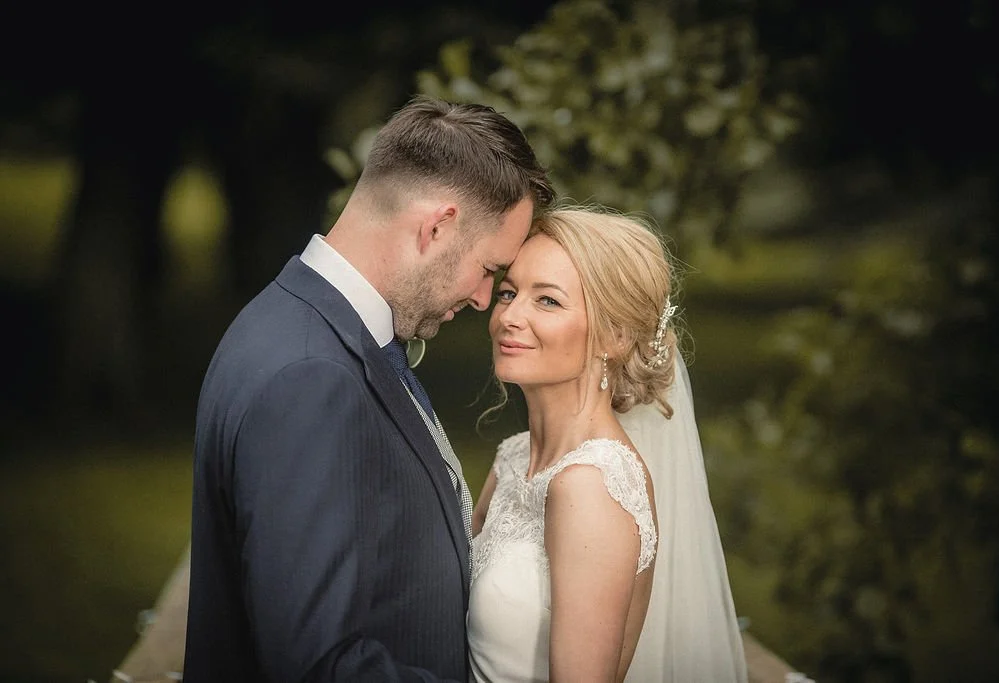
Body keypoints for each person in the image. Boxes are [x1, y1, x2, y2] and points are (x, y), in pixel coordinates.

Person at [183, 95, 554, 682]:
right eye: (489, 270)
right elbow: (314, 664)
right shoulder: (310, 375)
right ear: (437, 227)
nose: (486, 300)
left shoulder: (303, 324)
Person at [467, 205, 748, 682]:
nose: (510, 316)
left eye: (548, 301)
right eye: (509, 292)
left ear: (614, 336)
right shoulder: (514, 457)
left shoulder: (591, 487)